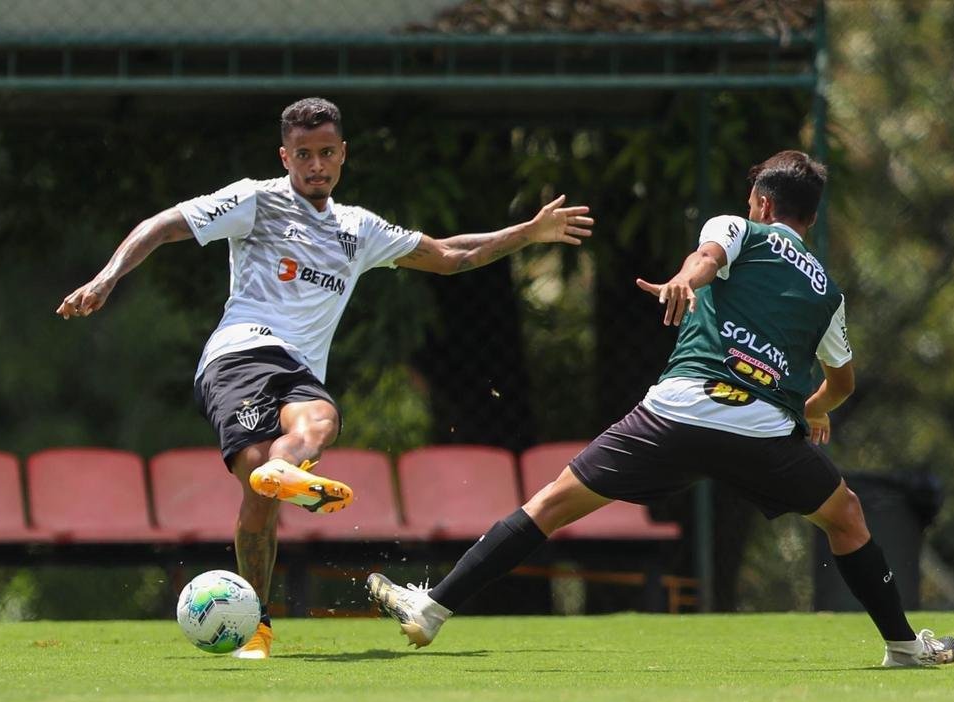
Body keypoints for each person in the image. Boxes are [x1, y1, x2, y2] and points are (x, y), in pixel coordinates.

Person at [368, 150, 954, 667]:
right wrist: (814, 411)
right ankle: (904, 645)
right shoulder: (826, 290)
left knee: (549, 505)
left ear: (760, 202)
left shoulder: (738, 226)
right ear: (811, 216)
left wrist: (683, 279)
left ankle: (432, 608)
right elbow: (841, 383)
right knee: (846, 516)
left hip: (676, 415)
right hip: (760, 434)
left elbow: (707, 257)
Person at [57, 97, 593, 660]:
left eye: (327, 153)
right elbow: (165, 224)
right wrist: (107, 277)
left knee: (319, 422)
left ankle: (278, 488)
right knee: (258, 483)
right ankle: (259, 617)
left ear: (343, 154)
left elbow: (448, 255)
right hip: (239, 354)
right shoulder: (256, 200)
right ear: (284, 157)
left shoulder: (358, 228)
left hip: (299, 370)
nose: (316, 165)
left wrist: (528, 233)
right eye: (304, 154)